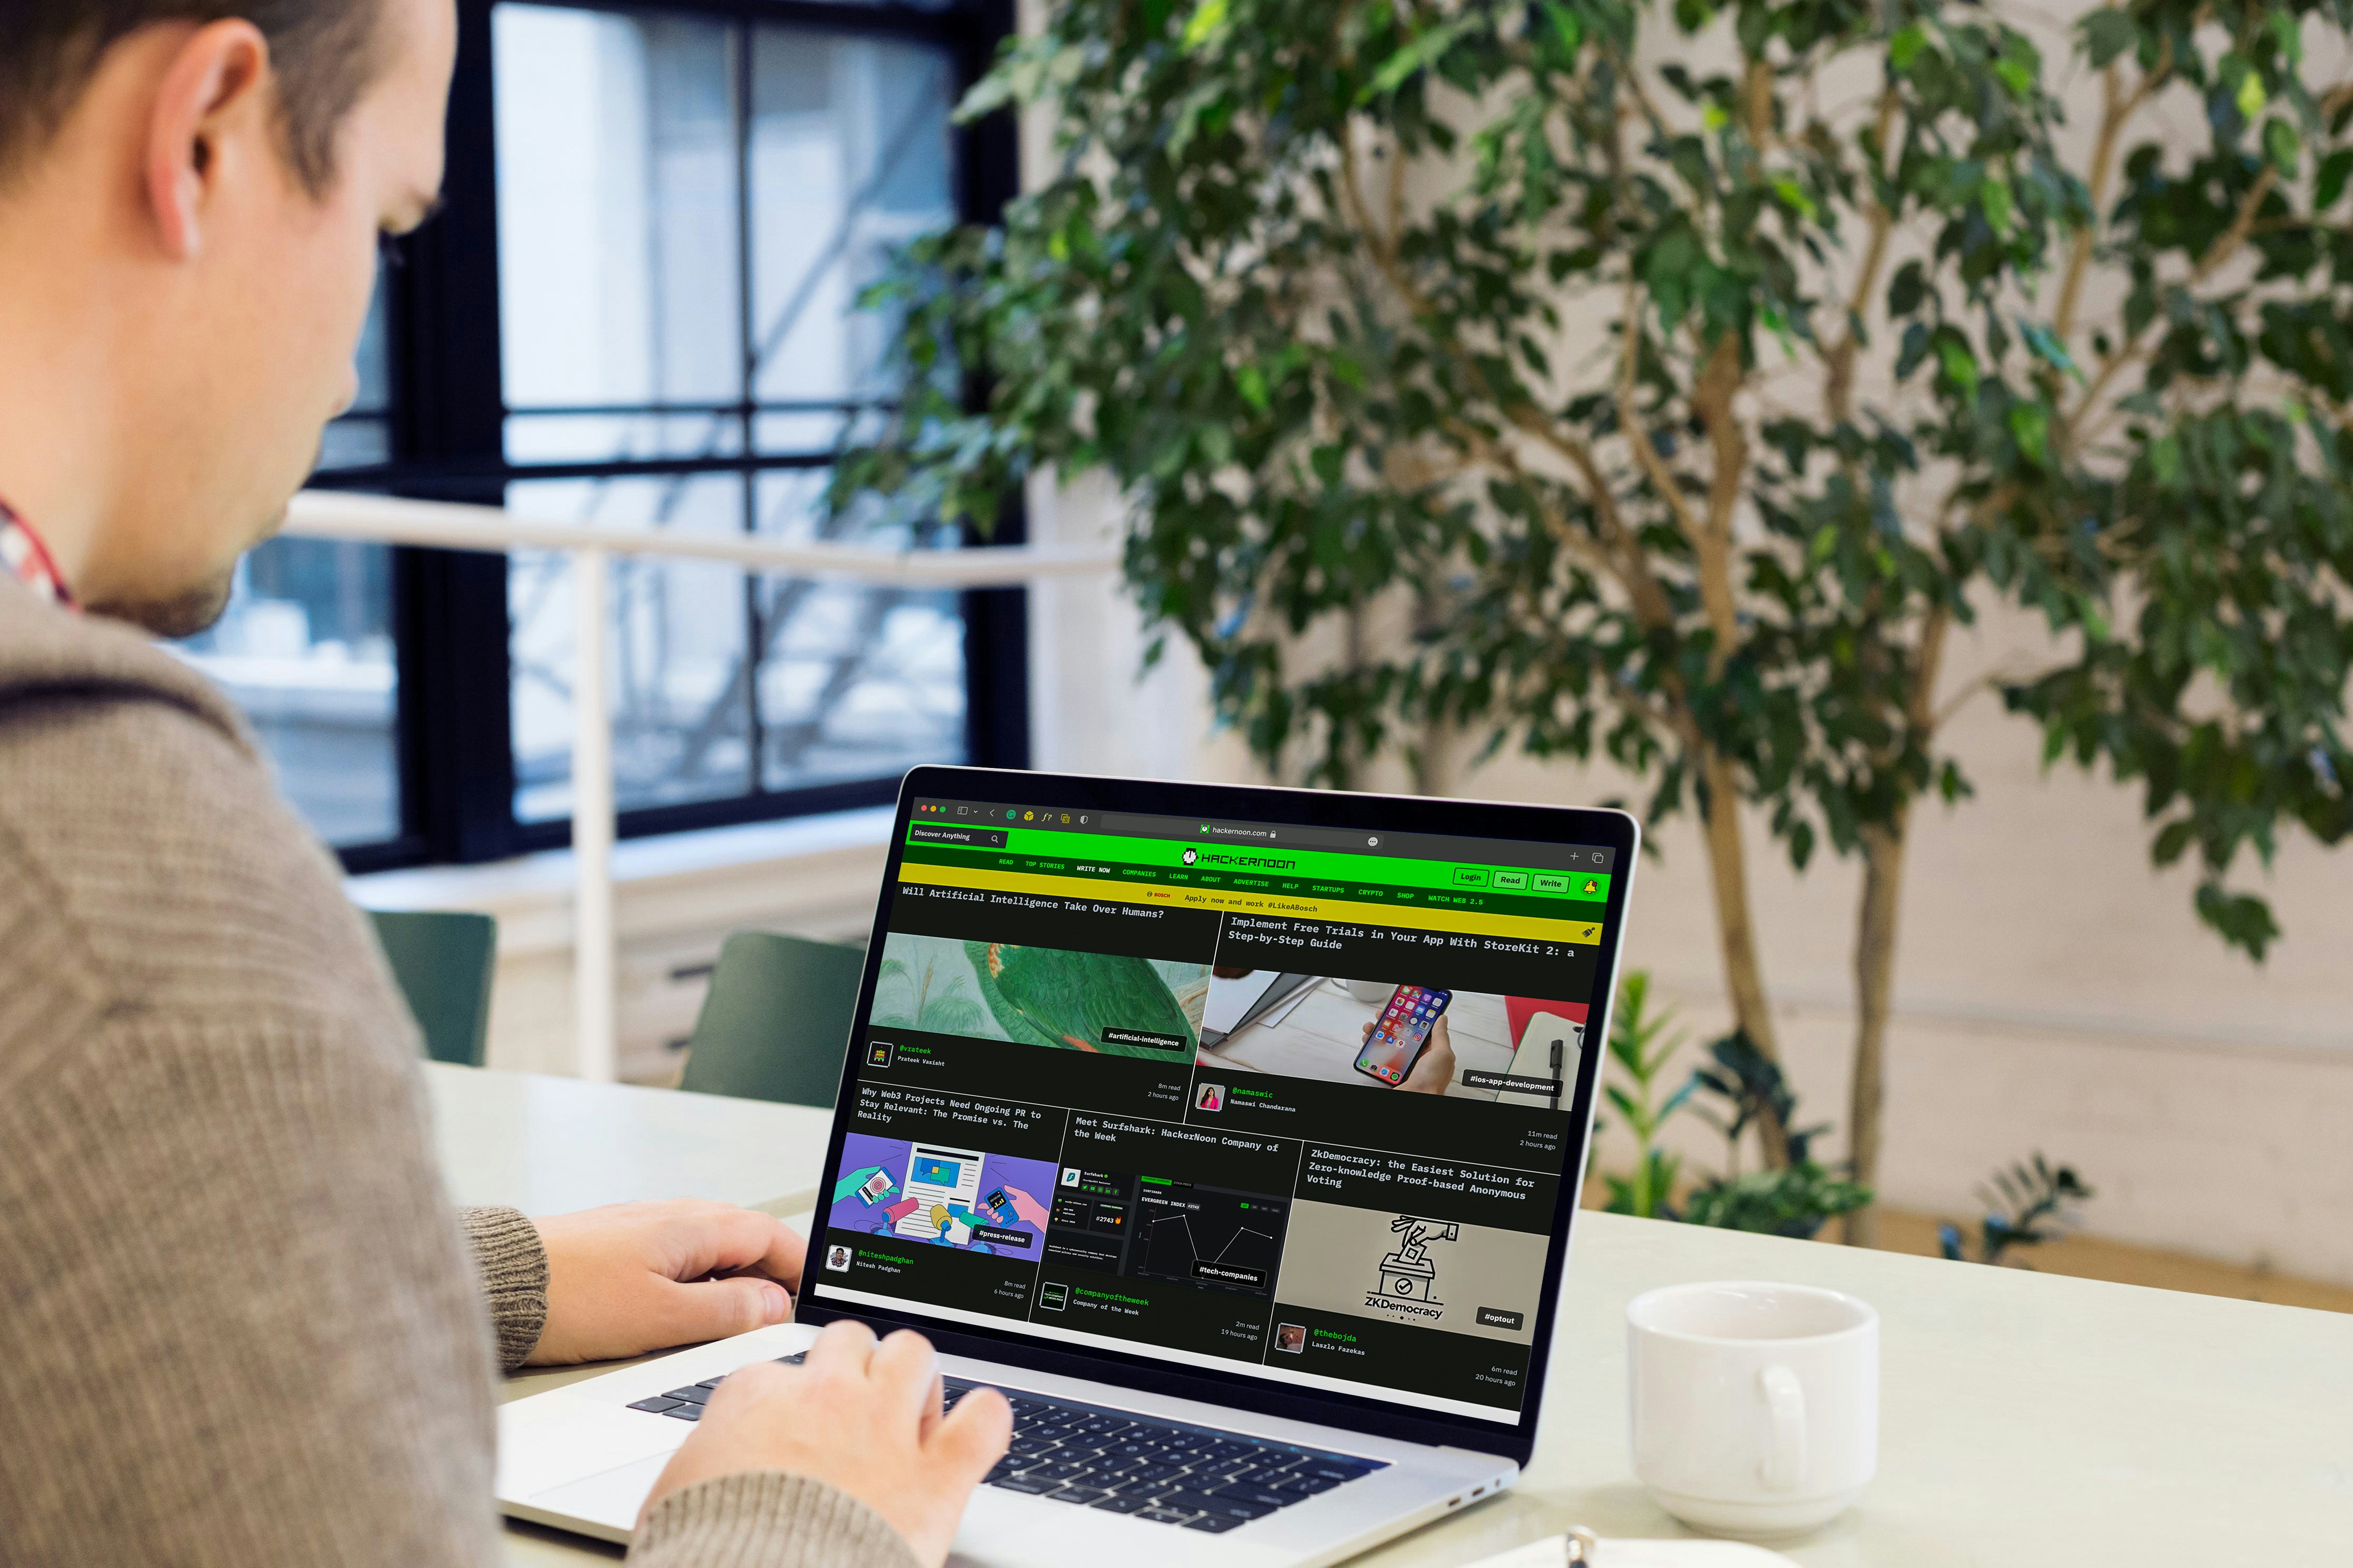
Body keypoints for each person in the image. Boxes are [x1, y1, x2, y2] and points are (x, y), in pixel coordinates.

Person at [0, 4, 1009, 1565]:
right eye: (391, 226)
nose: (349, 371)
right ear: (201, 136)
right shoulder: (114, 888)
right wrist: (799, 1514)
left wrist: (454, 1272)